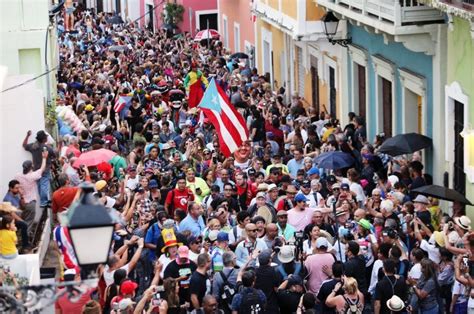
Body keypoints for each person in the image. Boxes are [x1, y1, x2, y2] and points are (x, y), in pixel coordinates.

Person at [14, 149, 48, 230]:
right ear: (31, 167)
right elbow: (42, 169)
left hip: (21, 202)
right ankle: (25, 240)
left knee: (23, 220)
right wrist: (44, 158)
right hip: (30, 203)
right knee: (28, 223)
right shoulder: (32, 176)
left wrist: (21, 196)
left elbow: (17, 186)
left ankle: (19, 236)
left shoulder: (18, 176)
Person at [22, 130, 56, 207]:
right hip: (45, 170)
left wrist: (27, 136)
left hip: (35, 170)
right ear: (44, 139)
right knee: (44, 186)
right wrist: (51, 161)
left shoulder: (33, 146)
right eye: (46, 137)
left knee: (40, 187)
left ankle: (43, 201)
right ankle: (43, 202)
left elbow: (24, 145)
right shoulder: (47, 148)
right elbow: (54, 156)